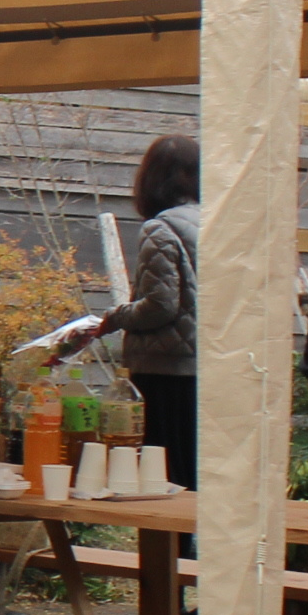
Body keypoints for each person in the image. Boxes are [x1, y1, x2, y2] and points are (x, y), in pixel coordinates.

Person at [93, 134, 200, 489]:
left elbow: (160, 306)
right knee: (198, 476)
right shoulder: (218, 223)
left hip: (165, 373)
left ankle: (173, 547)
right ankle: (194, 547)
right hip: (211, 370)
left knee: (164, 480)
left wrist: (116, 317)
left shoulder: (161, 228)